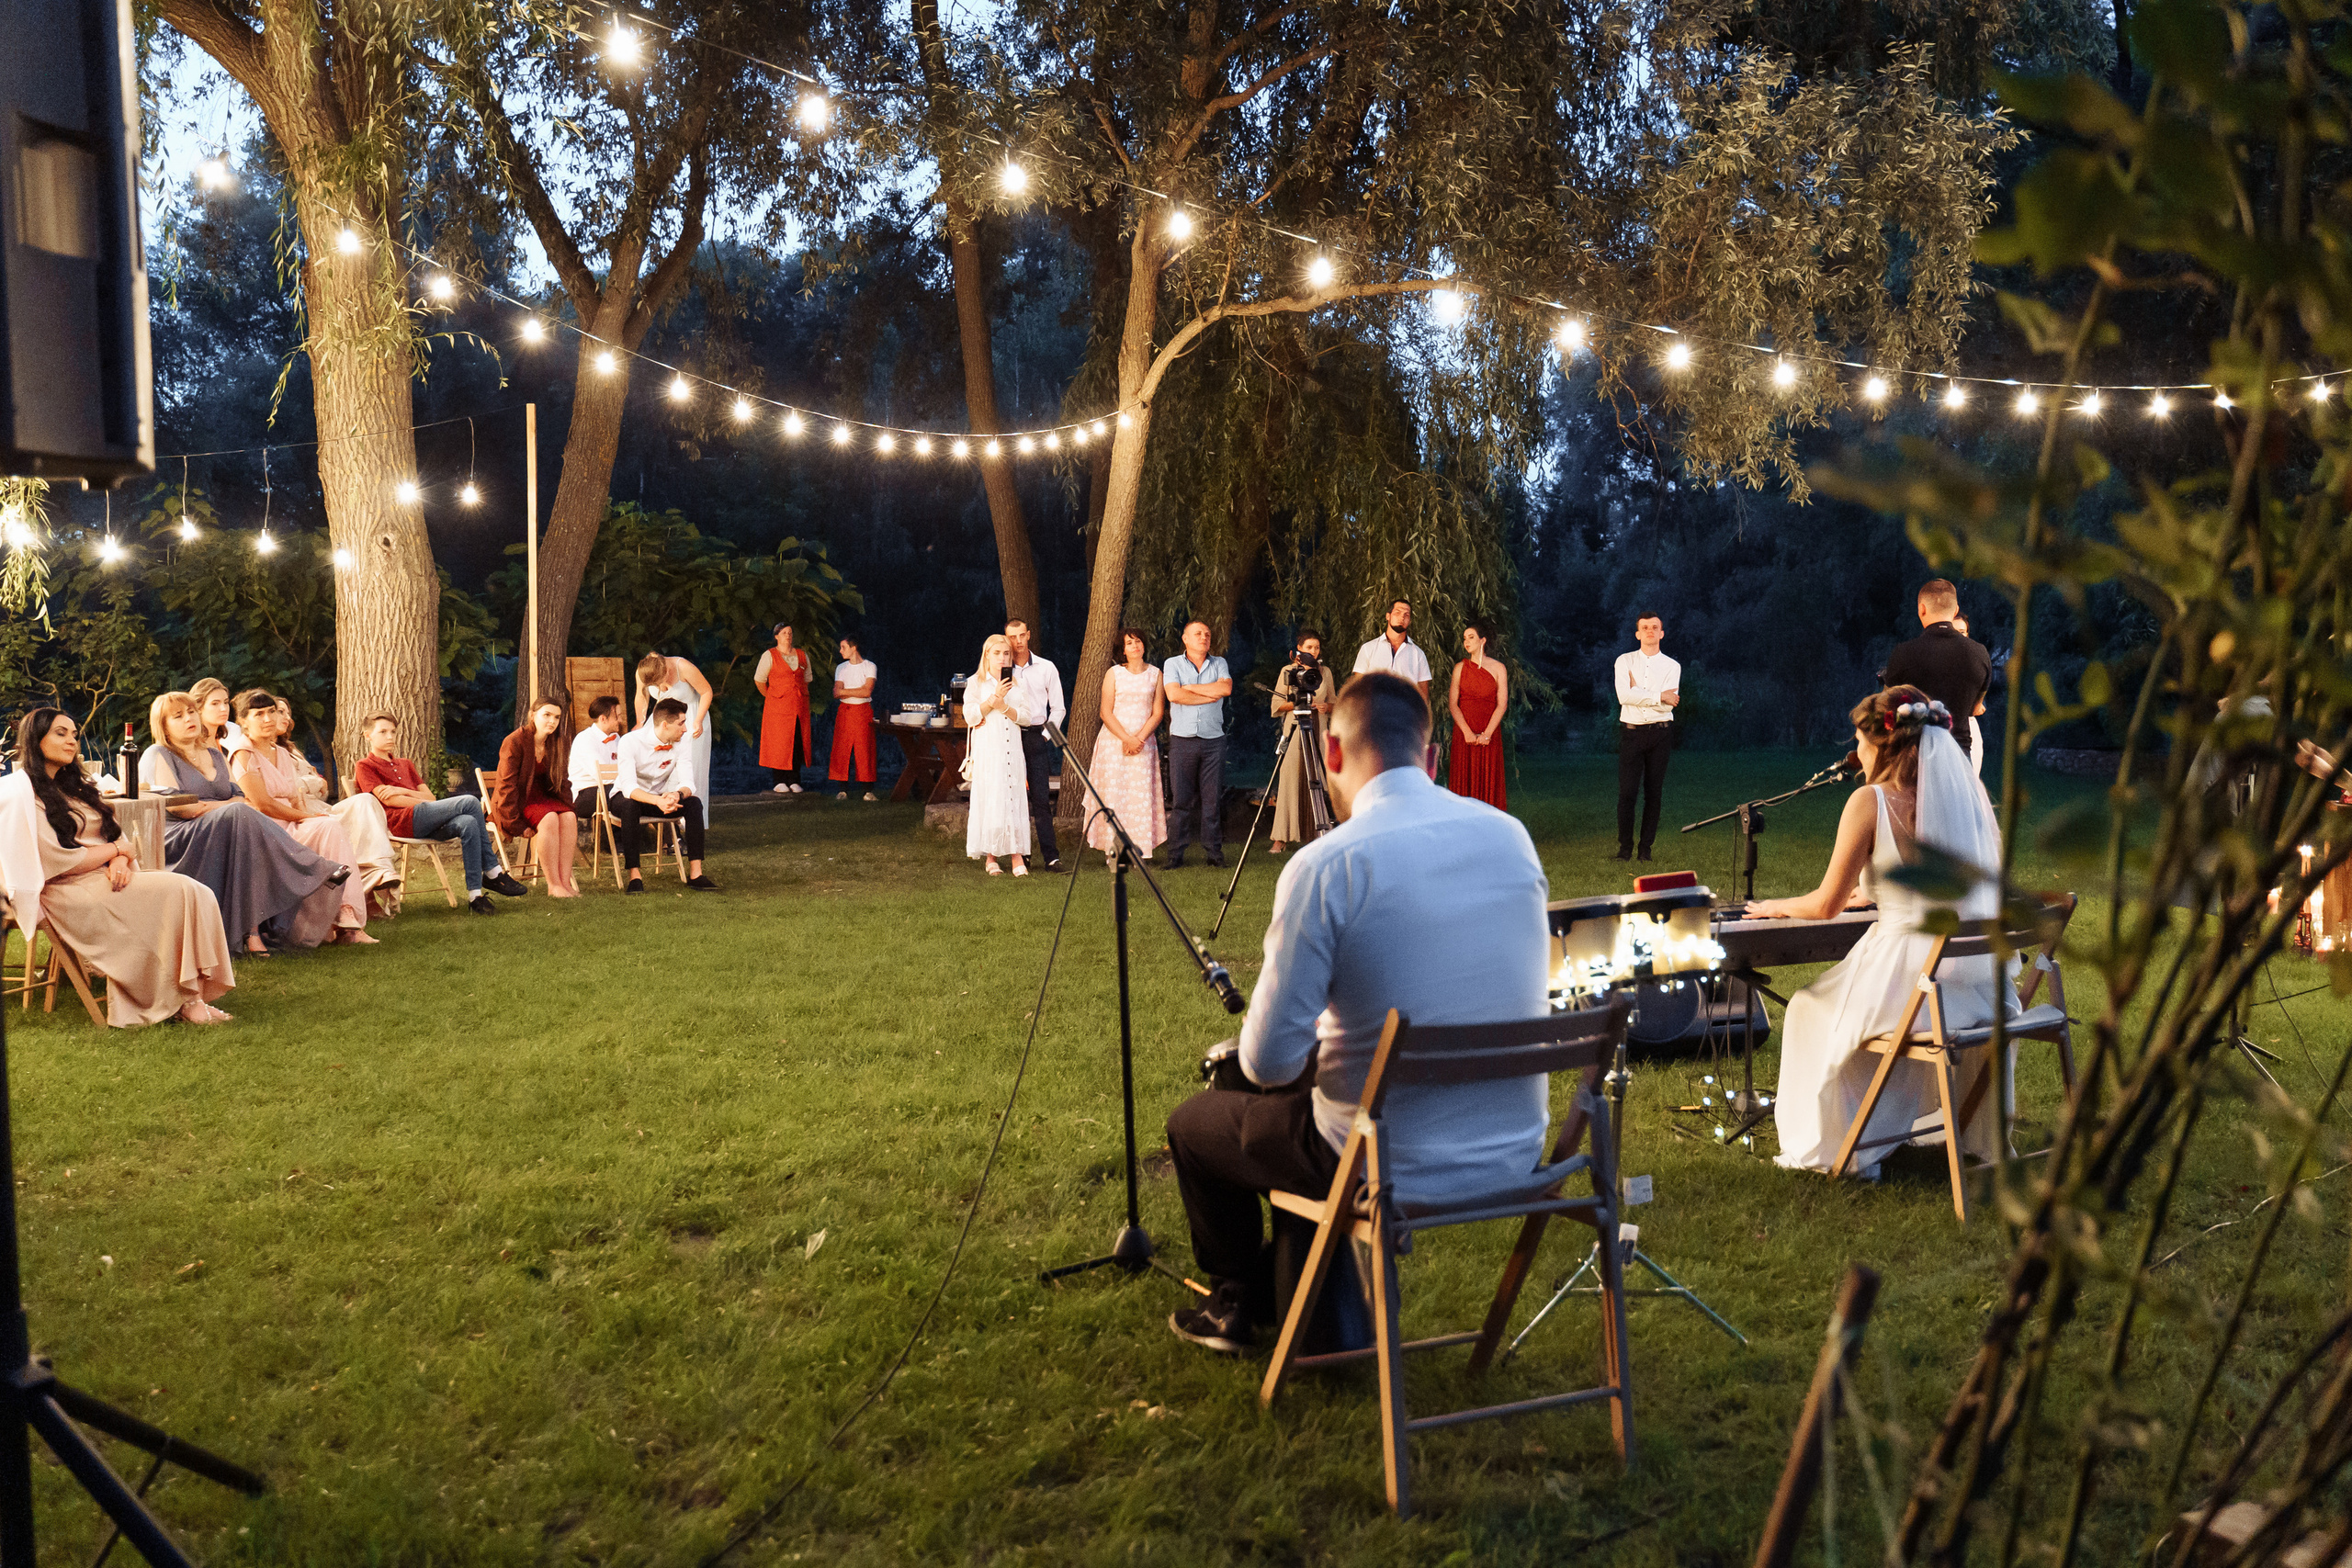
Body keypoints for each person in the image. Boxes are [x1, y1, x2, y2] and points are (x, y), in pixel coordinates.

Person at [1162, 672, 1553, 1355]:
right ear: (1432, 757)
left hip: (1385, 1162)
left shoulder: (1327, 865)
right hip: (1513, 1150)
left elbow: (1267, 1062)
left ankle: (1237, 1299)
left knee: (1198, 1123)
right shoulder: (1511, 837)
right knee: (1306, 1101)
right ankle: (1306, 1310)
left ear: (1332, 754)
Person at [1745, 686, 2017, 1176]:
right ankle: (1893, 1125)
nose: (1857, 752)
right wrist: (1878, 889)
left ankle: (1844, 1144)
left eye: (1859, 741)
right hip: (1975, 989)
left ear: (1882, 743)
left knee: (1807, 1007)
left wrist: (1774, 906)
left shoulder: (1869, 801)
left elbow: (1825, 905)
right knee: (1837, 1011)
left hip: (1912, 979)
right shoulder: (1966, 799)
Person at [1, 710, 235, 1026]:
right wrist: (116, 851)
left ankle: (189, 996)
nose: (71, 741)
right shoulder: (20, 793)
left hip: (103, 876)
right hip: (64, 890)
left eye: (74, 734)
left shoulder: (76, 787)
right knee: (180, 891)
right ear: (35, 739)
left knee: (194, 891)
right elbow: (56, 861)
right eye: (60, 733)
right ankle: (185, 1000)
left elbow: (116, 837)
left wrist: (120, 859)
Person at [140, 692, 345, 953]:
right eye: (178, 716)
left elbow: (239, 795)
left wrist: (220, 807)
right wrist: (226, 807)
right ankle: (312, 868)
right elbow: (182, 807)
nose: (189, 719)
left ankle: (253, 932)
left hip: (225, 829)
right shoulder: (157, 754)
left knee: (243, 832)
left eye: (191, 712)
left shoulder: (214, 754)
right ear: (164, 726)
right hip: (180, 838)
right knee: (239, 816)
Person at [226, 690, 373, 943]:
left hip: (290, 822)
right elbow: (263, 804)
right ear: (243, 721)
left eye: (271, 712)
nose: (268, 719)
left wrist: (309, 815)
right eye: (258, 714)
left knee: (330, 826)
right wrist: (306, 818)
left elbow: (295, 798)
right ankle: (342, 914)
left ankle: (346, 915)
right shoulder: (243, 753)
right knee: (328, 827)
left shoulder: (281, 753)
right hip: (264, 827)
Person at [355, 714, 519, 915]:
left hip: (426, 819)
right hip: (402, 823)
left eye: (393, 732)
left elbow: (430, 797)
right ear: (368, 735)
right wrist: (417, 799)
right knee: (470, 801)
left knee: (468, 822)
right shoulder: (365, 766)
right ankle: (493, 872)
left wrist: (402, 791)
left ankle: (475, 896)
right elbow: (390, 801)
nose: (390, 736)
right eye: (383, 732)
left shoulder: (405, 764)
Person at [272, 696, 398, 908]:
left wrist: (313, 784)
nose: (286, 717)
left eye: (287, 713)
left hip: (319, 807)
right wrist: (313, 782)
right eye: (279, 712)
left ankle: (381, 871)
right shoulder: (269, 751)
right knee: (355, 826)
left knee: (365, 801)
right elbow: (292, 787)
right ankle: (378, 875)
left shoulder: (293, 751)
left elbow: (323, 790)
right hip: (300, 815)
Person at [1882, 580, 1992, 763]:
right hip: (1959, 758)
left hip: (1916, 759)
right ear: (1955, 610)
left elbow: (1886, 705)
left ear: (1922, 609)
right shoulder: (1979, 653)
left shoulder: (1904, 653)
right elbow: (1975, 708)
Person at [614, 697, 717, 891]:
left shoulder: (682, 741)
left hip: (660, 796)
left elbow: (688, 783)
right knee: (630, 806)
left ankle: (696, 874)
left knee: (694, 803)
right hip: (627, 797)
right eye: (681, 723)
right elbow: (628, 787)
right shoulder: (630, 741)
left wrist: (677, 795)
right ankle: (634, 877)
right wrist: (657, 801)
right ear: (664, 725)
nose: (685, 729)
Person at [1085, 628, 1167, 863]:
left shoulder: (1156, 674)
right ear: (1122, 650)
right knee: (1114, 795)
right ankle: (1113, 849)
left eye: (1138, 641)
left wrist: (1139, 738)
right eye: (1129, 643)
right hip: (1114, 742)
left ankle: (1139, 850)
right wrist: (1126, 738)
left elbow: (1158, 712)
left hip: (1144, 742)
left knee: (1139, 797)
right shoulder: (1114, 673)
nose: (1135, 646)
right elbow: (1105, 711)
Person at [1163, 620, 1233, 869]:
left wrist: (1191, 688)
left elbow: (1225, 689)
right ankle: (1175, 855)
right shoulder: (1173, 663)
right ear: (1185, 638)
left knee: (1212, 800)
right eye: (1198, 634)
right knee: (1181, 800)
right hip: (1183, 740)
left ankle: (1214, 853)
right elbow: (1174, 695)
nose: (1204, 637)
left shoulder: (1220, 663)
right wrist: (1209, 693)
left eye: (1207, 634)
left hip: (1213, 740)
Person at [493, 700, 582, 897]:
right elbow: (506, 787)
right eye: (546, 715)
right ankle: (553, 886)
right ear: (532, 715)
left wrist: (570, 807)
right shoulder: (515, 741)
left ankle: (565, 883)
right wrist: (517, 825)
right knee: (549, 818)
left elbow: (563, 781)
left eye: (557, 717)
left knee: (569, 817)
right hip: (519, 800)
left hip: (544, 797)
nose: (552, 721)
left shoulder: (555, 742)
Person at [963, 634, 1032, 875]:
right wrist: (994, 700)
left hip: (1012, 749)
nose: (1002, 658)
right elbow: (970, 716)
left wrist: (1005, 707)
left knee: (1013, 797)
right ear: (987, 655)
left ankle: (1016, 855)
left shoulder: (1017, 683)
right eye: (997, 653)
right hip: (989, 749)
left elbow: (1026, 717)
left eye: (1006, 654)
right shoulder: (975, 682)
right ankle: (990, 856)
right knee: (991, 797)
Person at [1613, 613, 1679, 863]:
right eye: (1645, 627)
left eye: (1654, 627)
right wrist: (1658, 695)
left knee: (1653, 793)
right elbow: (1623, 696)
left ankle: (1645, 849)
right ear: (1638, 634)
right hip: (1632, 733)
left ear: (1662, 633)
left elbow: (1669, 706)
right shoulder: (1624, 661)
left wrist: (1637, 691)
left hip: (1660, 733)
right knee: (1627, 793)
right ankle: (1625, 849)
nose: (1650, 631)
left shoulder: (1672, 666)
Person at [1002, 618, 1066, 870]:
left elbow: (1059, 709)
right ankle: (1022, 855)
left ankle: (1051, 857)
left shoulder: (1046, 667)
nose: (1018, 641)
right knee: (1015, 798)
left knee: (1041, 799)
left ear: (1028, 635)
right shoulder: (1001, 669)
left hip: (1037, 735)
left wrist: (1046, 738)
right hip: (1010, 736)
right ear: (1007, 639)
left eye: (1021, 635)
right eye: (1012, 637)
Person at [1267, 634, 1333, 855]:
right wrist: (1299, 702)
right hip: (1295, 728)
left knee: (1318, 778)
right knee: (1290, 779)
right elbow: (1277, 705)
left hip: (1318, 729)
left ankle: (1318, 833)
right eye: (1309, 647)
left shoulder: (1325, 672)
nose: (1314, 651)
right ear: (1299, 648)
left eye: (1317, 647)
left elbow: (1333, 702)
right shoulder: (1288, 670)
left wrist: (1325, 706)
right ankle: (1281, 837)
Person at [634, 651, 714, 801]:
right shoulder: (644, 671)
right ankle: (657, 804)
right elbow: (641, 695)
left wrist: (698, 720)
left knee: (689, 765)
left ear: (666, 671)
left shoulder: (682, 667)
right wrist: (640, 721)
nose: (660, 688)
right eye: (655, 686)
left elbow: (706, 691)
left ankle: (688, 808)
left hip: (690, 716)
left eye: (660, 682)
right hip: (663, 718)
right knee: (655, 761)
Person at [1446, 621, 1510, 810]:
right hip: (1464, 732)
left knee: (1488, 779)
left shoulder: (1499, 668)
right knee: (1464, 781)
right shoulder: (1460, 668)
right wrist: (1466, 732)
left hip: (1489, 732)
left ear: (1483, 640)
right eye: (1464, 638)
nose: (1466, 642)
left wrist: (1487, 734)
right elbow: (1453, 704)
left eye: (1471, 637)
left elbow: (1502, 704)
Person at [754, 625, 812, 794]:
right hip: (778, 707)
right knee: (779, 742)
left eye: (790, 633)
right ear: (776, 636)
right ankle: (779, 780)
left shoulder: (802, 655)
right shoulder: (769, 655)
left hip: (798, 707)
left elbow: (807, 678)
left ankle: (794, 779)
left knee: (797, 740)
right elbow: (759, 680)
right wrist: (772, 696)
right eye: (784, 633)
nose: (788, 636)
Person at [827, 636, 878, 801]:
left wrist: (846, 691)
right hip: (845, 710)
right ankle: (843, 790)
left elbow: (867, 691)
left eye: (843, 647)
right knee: (842, 748)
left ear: (853, 647)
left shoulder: (869, 666)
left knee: (864, 748)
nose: (840, 651)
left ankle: (868, 791)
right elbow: (836, 692)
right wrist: (856, 691)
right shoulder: (841, 668)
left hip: (863, 711)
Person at [1351, 599, 1433, 698]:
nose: (1402, 617)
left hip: (1405, 707)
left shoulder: (1418, 654)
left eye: (1406, 615)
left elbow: (1423, 696)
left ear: (1410, 621)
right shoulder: (1368, 649)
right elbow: (1359, 687)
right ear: (1388, 616)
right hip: (1375, 706)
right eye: (1397, 613)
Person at [568, 695, 629, 819]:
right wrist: (630, 780)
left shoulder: (616, 738)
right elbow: (604, 776)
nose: (621, 720)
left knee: (633, 798)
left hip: (610, 788)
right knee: (629, 794)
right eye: (617, 716)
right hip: (584, 795)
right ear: (603, 719)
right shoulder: (584, 739)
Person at [1950, 612, 1991, 776]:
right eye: (1954, 632)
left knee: (1970, 778)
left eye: (1962, 632)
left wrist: (1978, 704)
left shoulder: (1975, 660)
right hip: (1942, 727)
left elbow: (1979, 703)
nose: (1959, 637)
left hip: (1968, 726)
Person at [189, 678, 247, 755]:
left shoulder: (225, 743)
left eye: (226, 702)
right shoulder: (192, 746)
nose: (224, 709)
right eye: (215, 703)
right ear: (198, 707)